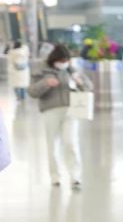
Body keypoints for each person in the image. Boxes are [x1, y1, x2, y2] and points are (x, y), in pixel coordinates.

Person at [28, 44, 93, 188]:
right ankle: (55, 176)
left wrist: (80, 82)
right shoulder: (41, 70)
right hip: (50, 110)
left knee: (71, 143)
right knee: (52, 144)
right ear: (54, 59)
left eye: (66, 60)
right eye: (61, 61)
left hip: (71, 111)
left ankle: (75, 176)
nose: (64, 63)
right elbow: (32, 91)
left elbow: (89, 87)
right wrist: (45, 83)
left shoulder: (71, 70)